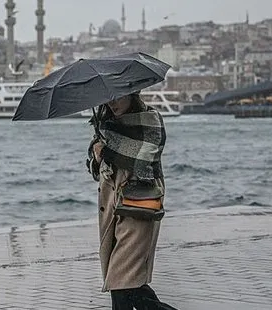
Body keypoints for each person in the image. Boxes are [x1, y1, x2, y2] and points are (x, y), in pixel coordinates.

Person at [87, 92, 177, 310]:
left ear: (132, 95)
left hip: (137, 208)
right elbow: (97, 171)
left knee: (120, 280)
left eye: (118, 97)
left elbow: (146, 159)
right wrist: (97, 156)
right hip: (112, 211)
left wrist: (107, 150)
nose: (113, 102)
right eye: (108, 98)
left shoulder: (149, 121)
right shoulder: (105, 127)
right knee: (129, 286)